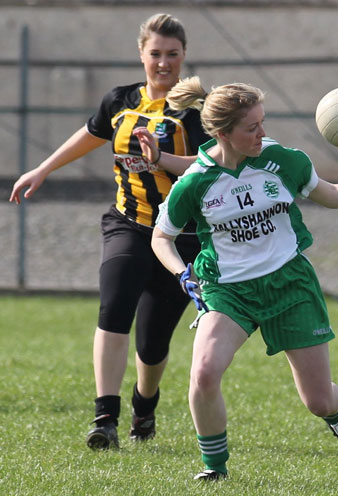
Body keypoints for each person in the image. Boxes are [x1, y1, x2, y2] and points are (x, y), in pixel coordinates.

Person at [144, 76, 338, 480]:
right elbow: (162, 237)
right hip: (227, 291)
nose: (263, 132)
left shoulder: (283, 160)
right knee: (205, 372)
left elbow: (330, 194)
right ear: (223, 133)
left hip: (289, 285)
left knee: (317, 401)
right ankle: (215, 468)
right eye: (252, 127)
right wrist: (182, 274)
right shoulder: (195, 183)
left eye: (263, 121)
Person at [9, 14, 210, 449]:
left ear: (184, 57)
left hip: (179, 237)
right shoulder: (120, 100)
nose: (163, 63)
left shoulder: (193, 112)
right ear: (141, 54)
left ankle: (145, 403)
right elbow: (91, 133)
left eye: (172, 55)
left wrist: (162, 160)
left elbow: (212, 164)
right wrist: (42, 168)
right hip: (128, 224)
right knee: (114, 309)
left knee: (152, 346)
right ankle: (105, 418)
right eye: (155, 54)